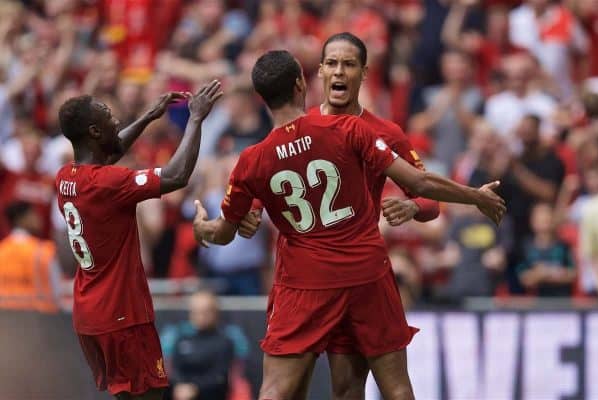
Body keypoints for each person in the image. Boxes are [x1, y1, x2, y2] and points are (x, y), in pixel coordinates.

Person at [192, 49, 505, 400]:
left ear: (260, 97)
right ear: (302, 83)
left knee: (279, 389)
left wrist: (203, 227)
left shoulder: (250, 160)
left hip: (304, 281)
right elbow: (419, 183)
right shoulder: (349, 129)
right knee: (395, 388)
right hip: (365, 273)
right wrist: (475, 196)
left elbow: (223, 231)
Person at [239, 32, 442, 400]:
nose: (339, 71)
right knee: (293, 387)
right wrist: (249, 213)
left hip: (359, 273)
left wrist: (413, 206)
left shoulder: (386, 132)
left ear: (364, 72)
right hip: (305, 278)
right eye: (332, 63)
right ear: (318, 73)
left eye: (349, 64)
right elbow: (260, 181)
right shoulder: (301, 126)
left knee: (348, 388)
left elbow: (430, 201)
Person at [55, 81, 223, 400]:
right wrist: (197, 119)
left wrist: (148, 117)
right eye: (107, 113)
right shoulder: (109, 182)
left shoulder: (65, 177)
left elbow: (110, 150)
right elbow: (176, 176)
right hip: (121, 314)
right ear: (93, 130)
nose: (115, 117)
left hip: (90, 312)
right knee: (150, 395)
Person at [0, 200, 60, 313]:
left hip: (4, 322)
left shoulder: (1, 251)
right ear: (21, 219)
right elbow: (57, 292)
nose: (38, 218)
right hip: (40, 321)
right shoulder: (44, 252)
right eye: (33, 214)